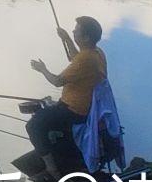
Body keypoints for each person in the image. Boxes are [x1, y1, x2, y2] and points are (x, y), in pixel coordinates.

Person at [25, 16, 106, 173]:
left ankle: (51, 167)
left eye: (76, 31)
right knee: (45, 112)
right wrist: (67, 39)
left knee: (33, 126)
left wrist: (42, 69)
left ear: (86, 37)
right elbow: (75, 58)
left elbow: (57, 81)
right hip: (86, 107)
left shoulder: (86, 59)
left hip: (74, 110)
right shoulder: (96, 53)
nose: (73, 31)